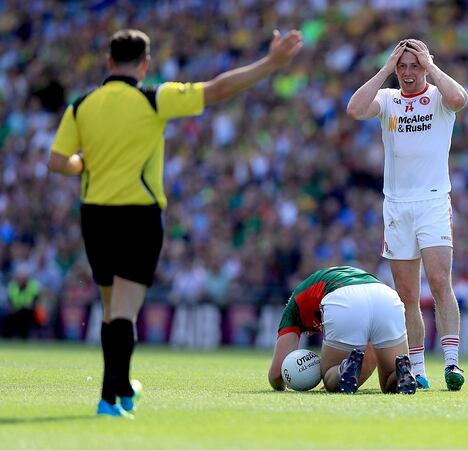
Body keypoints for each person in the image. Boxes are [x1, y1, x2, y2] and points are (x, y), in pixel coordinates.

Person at [47, 28, 303, 418]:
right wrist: (270, 63)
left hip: (95, 214)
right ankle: (109, 397)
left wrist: (82, 163)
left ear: (109, 62)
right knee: (125, 312)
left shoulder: (81, 105)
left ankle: (119, 388)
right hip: (139, 214)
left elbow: (56, 161)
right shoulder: (153, 98)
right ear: (145, 64)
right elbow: (216, 89)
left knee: (110, 309)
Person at [346, 39, 468, 391]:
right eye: (403, 66)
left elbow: (460, 99)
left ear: (426, 65)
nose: (409, 72)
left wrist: (431, 65)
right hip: (397, 205)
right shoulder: (388, 100)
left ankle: (452, 362)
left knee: (440, 281)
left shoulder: (439, 97)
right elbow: (354, 109)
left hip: (432, 201)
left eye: (415, 65)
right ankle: (416, 367)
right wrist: (384, 70)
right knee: (406, 294)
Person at [267, 266, 416, 395]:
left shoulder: (292, 309)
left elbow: (275, 374)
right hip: (386, 296)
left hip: (344, 297)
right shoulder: (326, 280)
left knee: (330, 373)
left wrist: (334, 381)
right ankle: (402, 372)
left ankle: (341, 369)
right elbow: (369, 356)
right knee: (390, 382)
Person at [2, 264, 42, 339]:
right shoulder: (12, 285)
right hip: (15, 310)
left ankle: (24, 337)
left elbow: (33, 302)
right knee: (8, 317)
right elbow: (10, 301)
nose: (22, 278)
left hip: (29, 312)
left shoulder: (33, 285)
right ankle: (7, 338)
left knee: (24, 316)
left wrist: (23, 306)